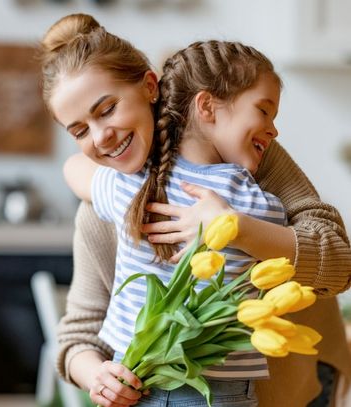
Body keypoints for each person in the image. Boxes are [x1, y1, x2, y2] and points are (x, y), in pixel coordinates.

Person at [40, 13, 351, 407]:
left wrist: (235, 227)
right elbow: (77, 336)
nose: (102, 137)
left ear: (149, 87)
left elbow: (339, 262)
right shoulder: (107, 199)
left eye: (107, 109)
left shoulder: (239, 154)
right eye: (80, 131)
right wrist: (95, 373)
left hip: (290, 373)